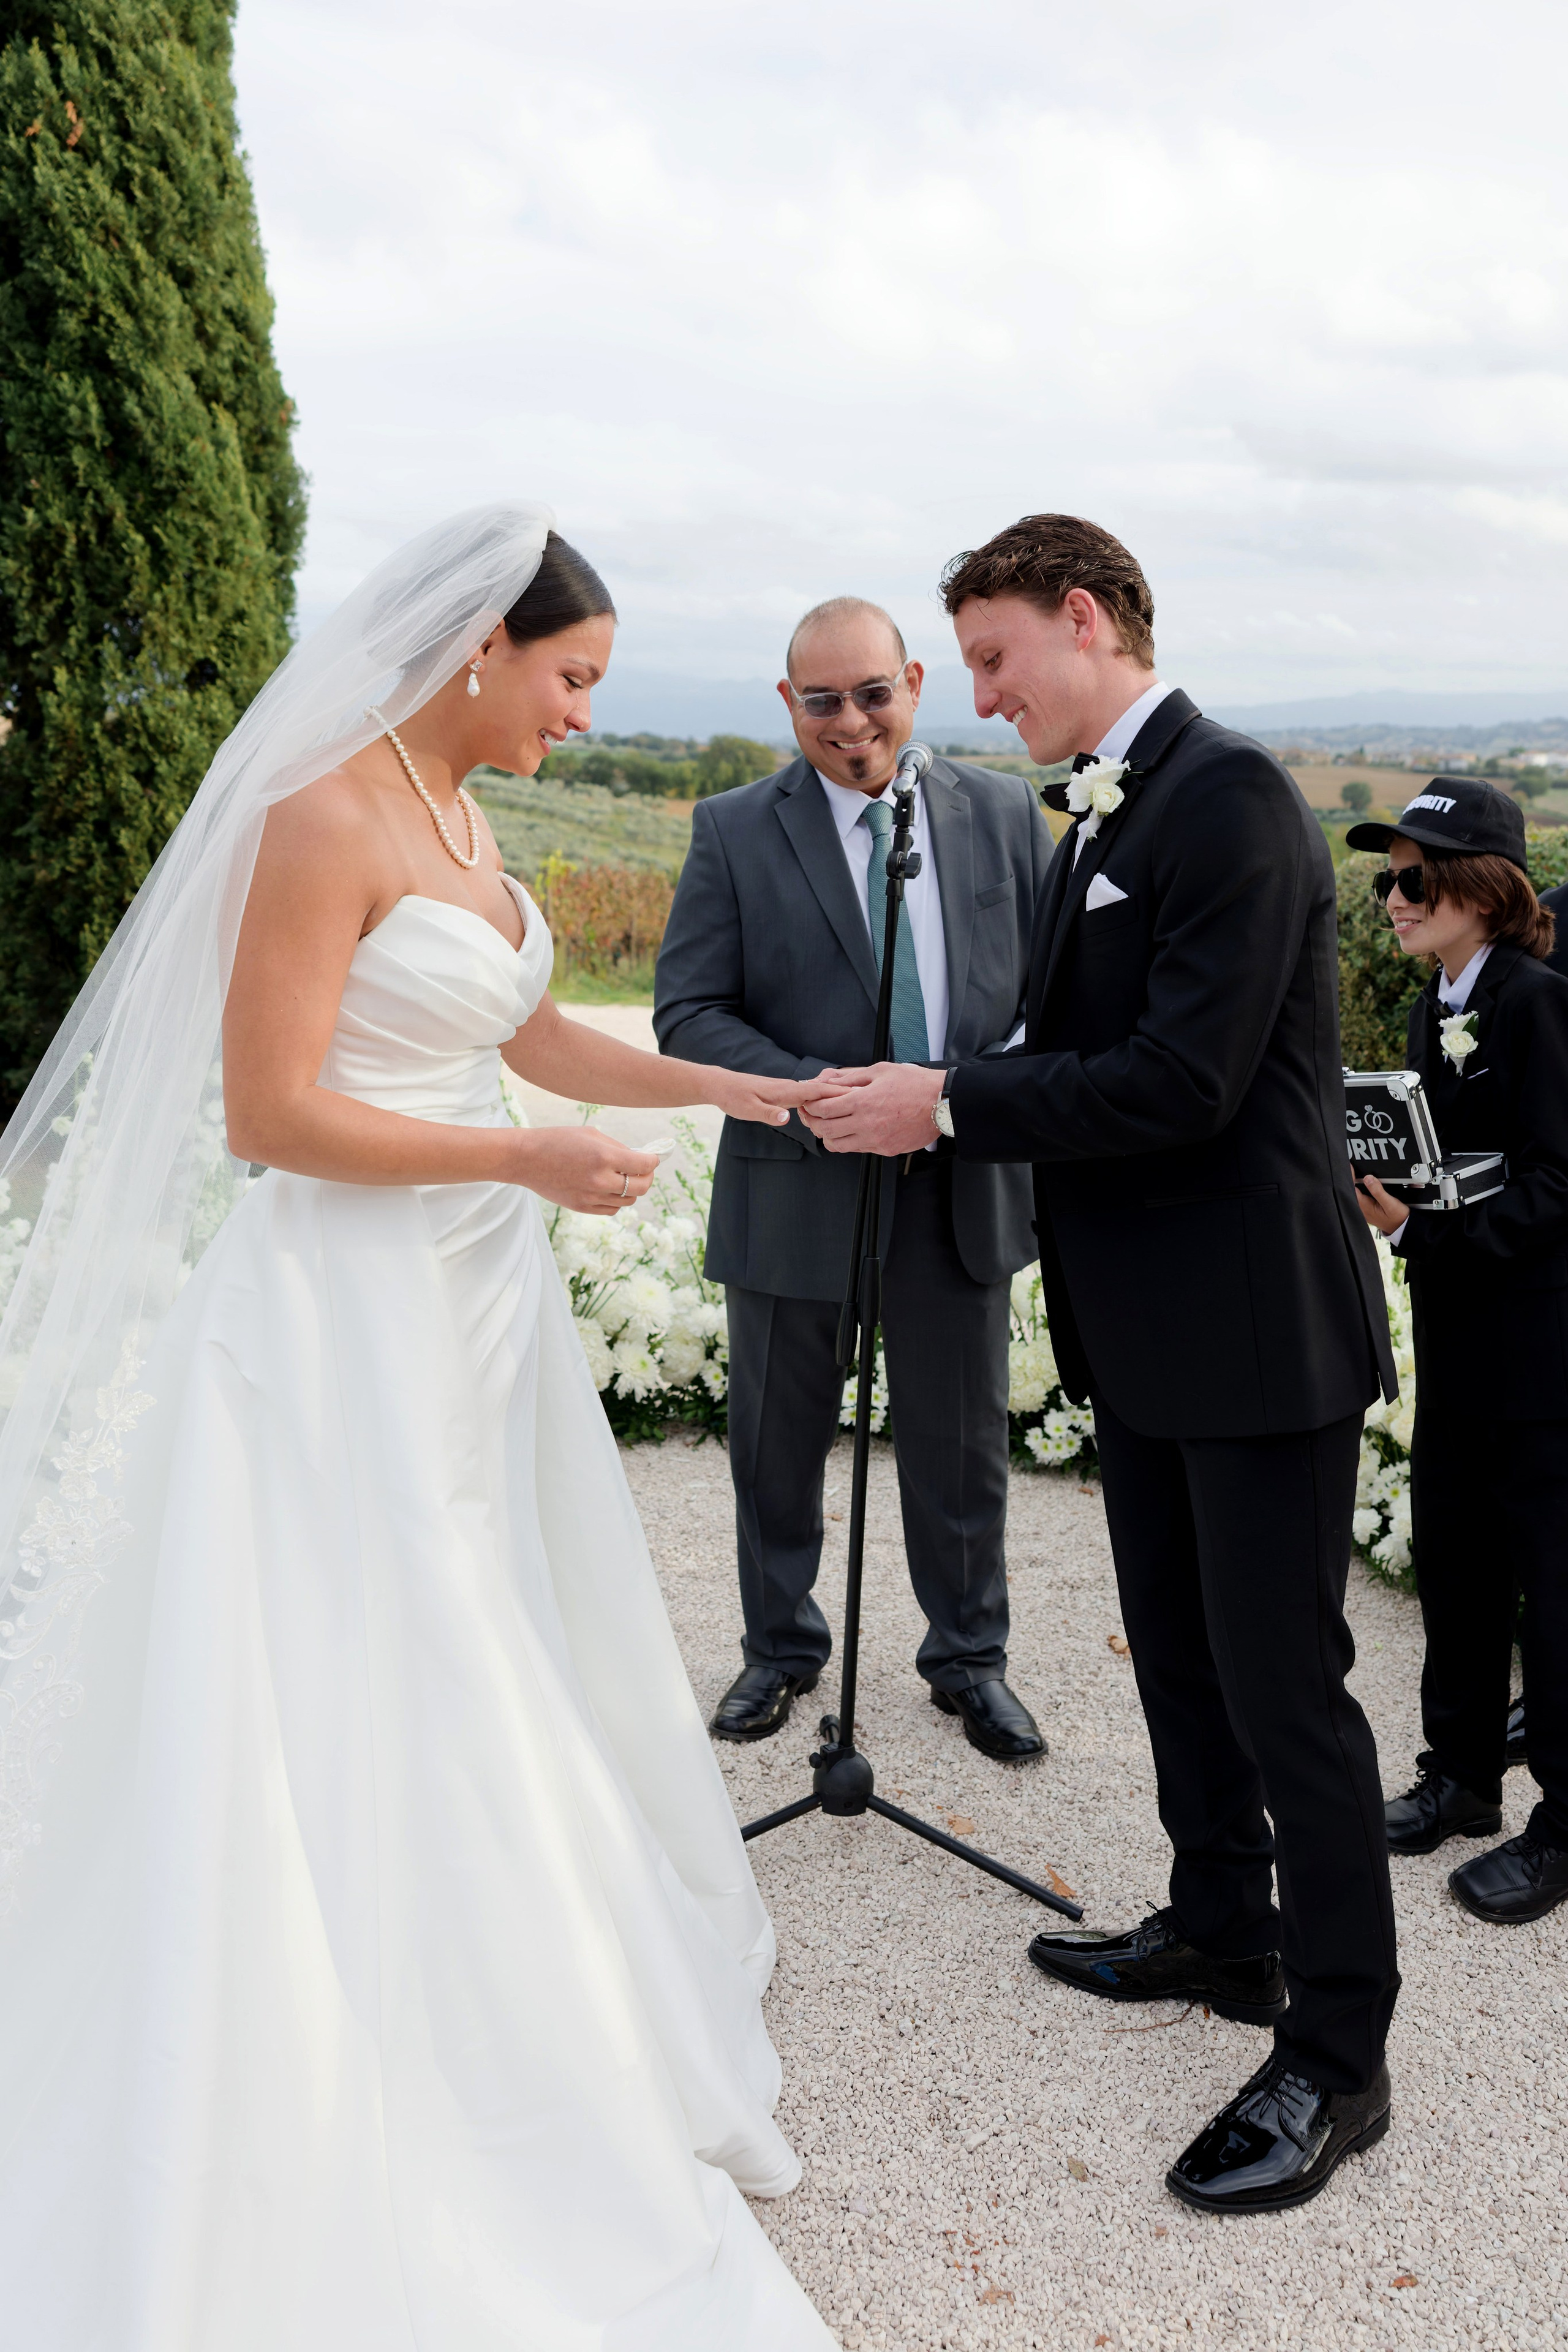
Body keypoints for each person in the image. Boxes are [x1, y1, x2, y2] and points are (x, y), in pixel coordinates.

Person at [0, 508, 835, 2348]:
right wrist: (519, 1163)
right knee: (379, 1637)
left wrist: (748, 1092)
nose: (583, 715)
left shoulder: (462, 819)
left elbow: (531, 1034)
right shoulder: (320, 816)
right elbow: (271, 1117)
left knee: (485, 1609)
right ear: (478, 647)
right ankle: (353, 2017)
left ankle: (501, 1972)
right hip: (340, 1315)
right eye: (572, 677)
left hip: (472, 1306)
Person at [802, 514, 1401, 2216]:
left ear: (1084, 618)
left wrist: (951, 1105)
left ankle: (1338, 2056)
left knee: (1286, 1692)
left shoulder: (1232, 802)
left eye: (992, 659)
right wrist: (933, 1077)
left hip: (1258, 1332)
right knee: (1182, 1666)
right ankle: (1223, 1932)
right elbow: (1078, 1042)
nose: (980, 698)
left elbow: (1182, 1084)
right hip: (1147, 1333)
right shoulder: (1114, 809)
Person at [654, 597, 1051, 1758]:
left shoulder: (1002, 813)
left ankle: (969, 1660)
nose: (851, 721)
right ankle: (778, 1651)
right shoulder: (733, 828)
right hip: (795, 1179)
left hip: (957, 1182)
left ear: (914, 684)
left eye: (873, 693)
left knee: (962, 1446)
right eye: (821, 700)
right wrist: (820, 1097)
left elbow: (1054, 997)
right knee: (776, 1444)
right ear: (788, 702)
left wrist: (952, 1097)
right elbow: (689, 1014)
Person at [1350, 779, 1568, 1926]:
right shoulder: (1435, 1006)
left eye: (1416, 878)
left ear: (1484, 889)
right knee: (1458, 1564)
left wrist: (1423, 1232)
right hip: (1461, 1343)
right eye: (1388, 880)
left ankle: (1563, 1828)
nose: (1394, 897)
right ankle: (1463, 1778)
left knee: (1555, 1592)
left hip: (1542, 1355)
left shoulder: (1538, 1004)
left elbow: (1559, 1185)